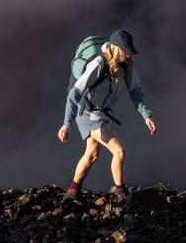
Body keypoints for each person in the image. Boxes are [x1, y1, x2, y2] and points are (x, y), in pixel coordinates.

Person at [59, 30, 157, 201]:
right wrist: (67, 124)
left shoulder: (127, 64)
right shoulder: (98, 64)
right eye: (125, 51)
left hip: (103, 112)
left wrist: (146, 116)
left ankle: (72, 192)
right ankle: (121, 194)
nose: (128, 55)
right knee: (119, 149)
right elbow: (74, 94)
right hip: (88, 113)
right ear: (116, 49)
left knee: (91, 155)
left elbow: (136, 91)